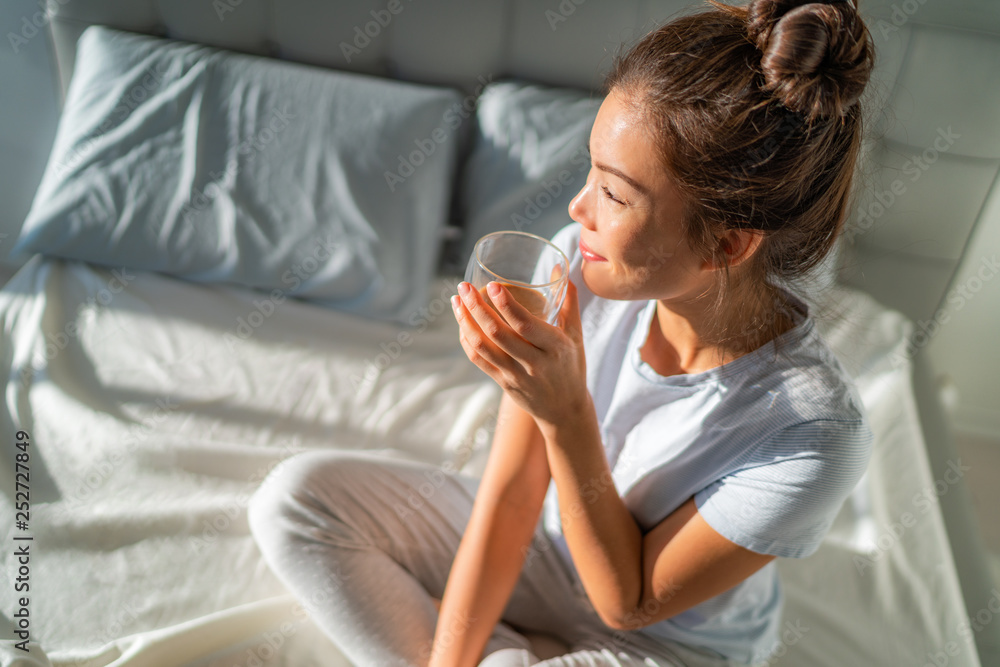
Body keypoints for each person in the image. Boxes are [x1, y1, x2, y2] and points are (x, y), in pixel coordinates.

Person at [247, 0, 877, 664]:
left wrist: (567, 411)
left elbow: (629, 604)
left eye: (616, 193)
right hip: (548, 550)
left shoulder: (812, 434)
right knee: (294, 505)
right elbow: (514, 490)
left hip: (666, 639)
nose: (578, 209)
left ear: (725, 243)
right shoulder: (574, 260)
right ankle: (519, 648)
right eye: (591, 170)